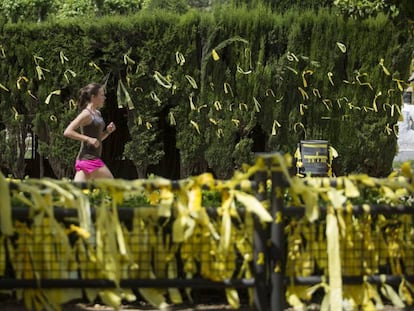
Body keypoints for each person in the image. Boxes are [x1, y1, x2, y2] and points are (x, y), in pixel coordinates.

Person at [64, 83, 116, 182]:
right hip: (89, 159)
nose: (104, 98)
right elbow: (68, 131)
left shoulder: (97, 113)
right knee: (111, 183)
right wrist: (88, 139)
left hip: (85, 159)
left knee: (78, 193)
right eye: (101, 95)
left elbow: (97, 139)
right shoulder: (86, 114)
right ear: (93, 97)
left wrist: (107, 132)